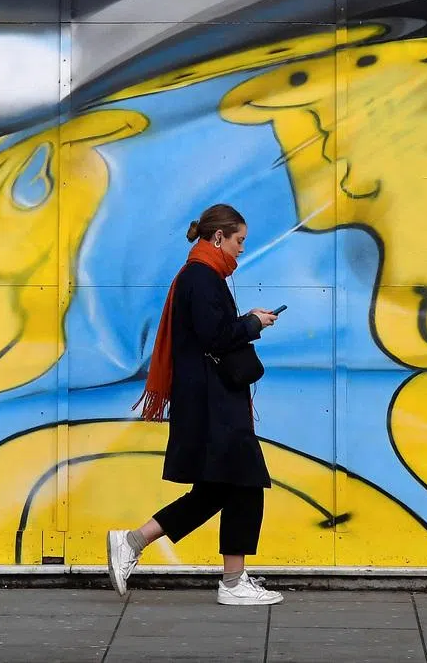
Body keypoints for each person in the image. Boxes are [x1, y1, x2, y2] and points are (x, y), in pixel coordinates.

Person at [107, 203, 282, 605]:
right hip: (212, 402)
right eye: (239, 240)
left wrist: (248, 320)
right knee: (245, 482)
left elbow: (212, 332)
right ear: (217, 237)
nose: (241, 249)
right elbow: (216, 337)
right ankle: (233, 583)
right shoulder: (203, 277)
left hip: (209, 399)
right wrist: (253, 323)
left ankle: (132, 542)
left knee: (218, 490)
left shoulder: (202, 275)